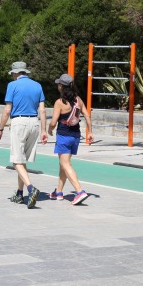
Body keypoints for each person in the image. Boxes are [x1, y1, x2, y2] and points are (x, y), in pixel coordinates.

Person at [0, 61, 47, 209]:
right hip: (34, 123)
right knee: (22, 160)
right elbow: (42, 110)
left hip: (19, 122)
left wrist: (0, 129)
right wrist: (43, 130)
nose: (12, 76)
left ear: (16, 73)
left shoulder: (12, 86)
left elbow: (7, 110)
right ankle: (19, 193)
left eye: (12, 74)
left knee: (16, 161)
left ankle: (31, 189)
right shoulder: (37, 85)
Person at [47, 74, 94, 205]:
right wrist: (90, 132)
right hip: (75, 136)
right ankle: (59, 192)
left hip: (63, 136)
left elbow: (53, 121)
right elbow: (87, 115)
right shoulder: (78, 100)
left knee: (66, 164)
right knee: (63, 163)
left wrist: (49, 130)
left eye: (58, 84)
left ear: (61, 86)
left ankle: (79, 191)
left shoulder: (59, 102)